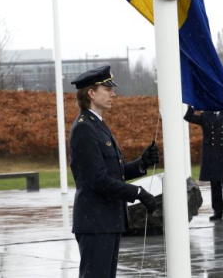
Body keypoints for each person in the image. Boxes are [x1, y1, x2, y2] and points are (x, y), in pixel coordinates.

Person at [68, 65, 159, 278]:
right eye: (107, 89)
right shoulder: (84, 128)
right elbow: (98, 180)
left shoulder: (97, 124)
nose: (113, 94)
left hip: (107, 220)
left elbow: (112, 173)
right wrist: (138, 193)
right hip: (95, 222)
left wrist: (142, 163)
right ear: (91, 93)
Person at [184, 105, 223, 221]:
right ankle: (217, 211)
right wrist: (193, 106)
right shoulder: (205, 115)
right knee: (215, 184)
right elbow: (188, 117)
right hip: (212, 154)